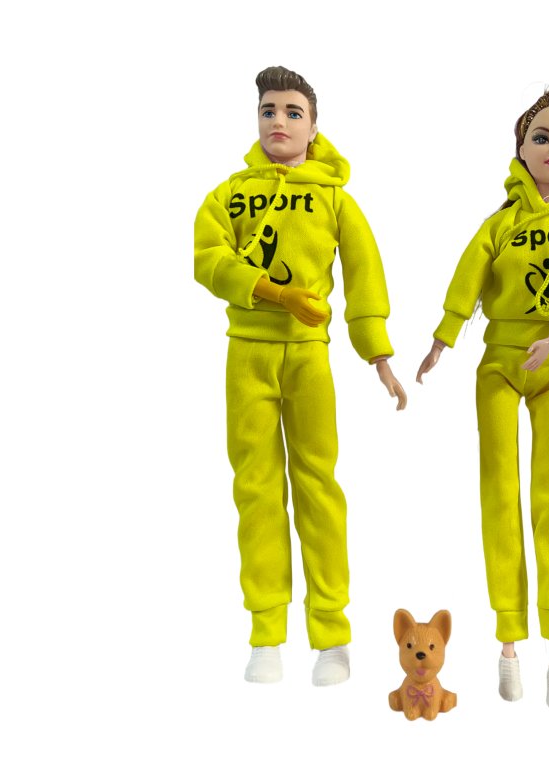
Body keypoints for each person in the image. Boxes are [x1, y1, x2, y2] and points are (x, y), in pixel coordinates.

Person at [194, 65, 406, 687]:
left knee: (318, 486)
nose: (279, 121)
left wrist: (378, 355)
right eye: (268, 110)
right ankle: (266, 632)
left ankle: (331, 635)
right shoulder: (230, 194)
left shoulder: (334, 198)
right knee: (255, 488)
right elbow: (208, 259)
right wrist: (272, 292)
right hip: (248, 352)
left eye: (293, 112)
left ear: (314, 127)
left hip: (310, 356)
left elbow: (365, 277)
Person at [416, 88, 549, 711]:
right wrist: (443, 339)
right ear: (521, 150)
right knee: (499, 491)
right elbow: (467, 278)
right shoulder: (500, 224)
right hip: (501, 365)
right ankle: (508, 643)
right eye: (541, 137)